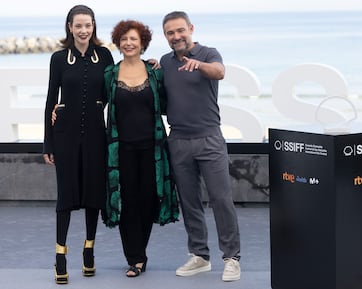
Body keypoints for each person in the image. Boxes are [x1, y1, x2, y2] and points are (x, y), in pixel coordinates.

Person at [160, 11, 241, 282]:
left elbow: (220, 72)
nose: (176, 36)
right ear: (166, 36)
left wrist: (198, 65)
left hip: (209, 139)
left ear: (191, 29)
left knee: (221, 199)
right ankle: (199, 256)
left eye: (180, 30)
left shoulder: (208, 54)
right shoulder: (165, 62)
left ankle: (231, 258)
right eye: (170, 33)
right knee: (189, 201)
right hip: (178, 140)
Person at [42, 5, 114, 285]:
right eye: (78, 25)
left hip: (96, 135)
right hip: (65, 136)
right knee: (66, 195)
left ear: (94, 27)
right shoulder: (58, 59)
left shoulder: (104, 56)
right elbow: (50, 99)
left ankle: (89, 249)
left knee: (93, 193)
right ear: (69, 27)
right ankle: (60, 254)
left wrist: (98, 106)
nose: (84, 30)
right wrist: (48, 141)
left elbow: (111, 91)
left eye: (88, 25)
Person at [103, 19, 179, 278]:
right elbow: (93, 103)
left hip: (152, 149)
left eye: (133, 39)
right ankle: (135, 257)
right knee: (128, 202)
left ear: (142, 42)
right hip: (120, 150)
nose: (128, 43)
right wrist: (60, 110)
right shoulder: (110, 74)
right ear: (118, 43)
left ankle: (140, 252)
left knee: (148, 200)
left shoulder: (155, 72)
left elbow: (170, 105)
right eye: (124, 39)